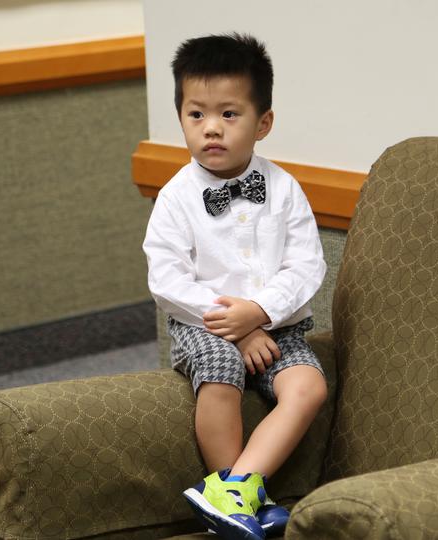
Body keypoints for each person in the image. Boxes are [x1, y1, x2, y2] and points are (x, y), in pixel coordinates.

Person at [143, 33, 328, 540]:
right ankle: (236, 496)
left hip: (279, 327)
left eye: (229, 114)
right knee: (221, 369)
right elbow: (167, 278)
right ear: (181, 118)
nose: (211, 128)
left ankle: (236, 489)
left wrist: (260, 312)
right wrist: (236, 324)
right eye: (196, 114)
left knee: (308, 386)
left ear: (262, 123)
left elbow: (306, 265)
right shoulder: (176, 197)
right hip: (203, 325)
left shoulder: (284, 188)